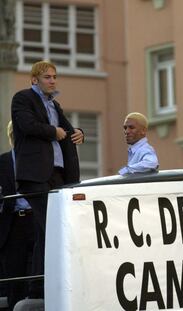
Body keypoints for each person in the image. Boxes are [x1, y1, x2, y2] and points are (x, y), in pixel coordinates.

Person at [11, 60, 84, 298]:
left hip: (57, 174)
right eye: (47, 77)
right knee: (50, 227)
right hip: (35, 175)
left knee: (49, 229)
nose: (53, 81)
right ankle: (41, 287)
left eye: (54, 77)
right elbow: (27, 125)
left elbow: (67, 129)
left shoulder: (55, 105)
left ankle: (39, 287)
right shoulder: (23, 99)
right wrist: (54, 132)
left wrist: (78, 133)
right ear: (34, 80)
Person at [0, 121, 35, 310]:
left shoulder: (39, 161)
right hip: (12, 224)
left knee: (37, 277)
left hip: (36, 221)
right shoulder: (2, 162)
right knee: (15, 278)